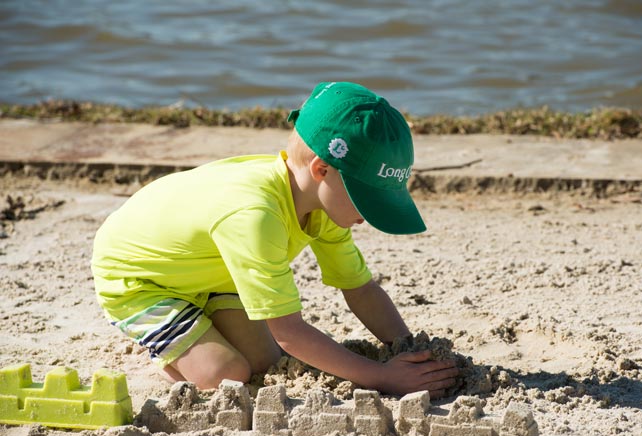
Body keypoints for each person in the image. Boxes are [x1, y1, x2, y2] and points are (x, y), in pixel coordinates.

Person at [91, 81, 459, 398]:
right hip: (140, 279)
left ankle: (198, 325)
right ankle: (164, 349)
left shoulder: (323, 206)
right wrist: (382, 376)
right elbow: (290, 333)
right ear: (322, 169)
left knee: (263, 362)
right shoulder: (255, 216)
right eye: (368, 199)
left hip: (212, 273)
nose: (371, 214)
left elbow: (360, 289)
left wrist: (410, 349)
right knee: (226, 374)